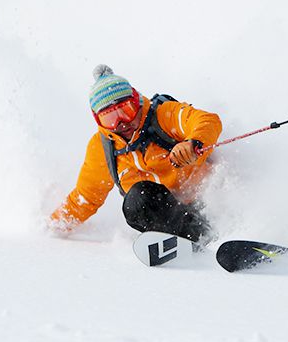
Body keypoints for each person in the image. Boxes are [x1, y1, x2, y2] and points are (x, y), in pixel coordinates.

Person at [49, 64, 221, 241]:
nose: (121, 123)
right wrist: (53, 226)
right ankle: (182, 241)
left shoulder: (164, 115)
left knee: (141, 196)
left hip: (207, 204)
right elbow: (86, 197)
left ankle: (208, 236)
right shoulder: (102, 147)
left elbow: (206, 121)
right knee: (138, 200)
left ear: (137, 101)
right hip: (168, 215)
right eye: (110, 118)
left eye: (126, 110)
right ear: (99, 121)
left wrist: (193, 143)